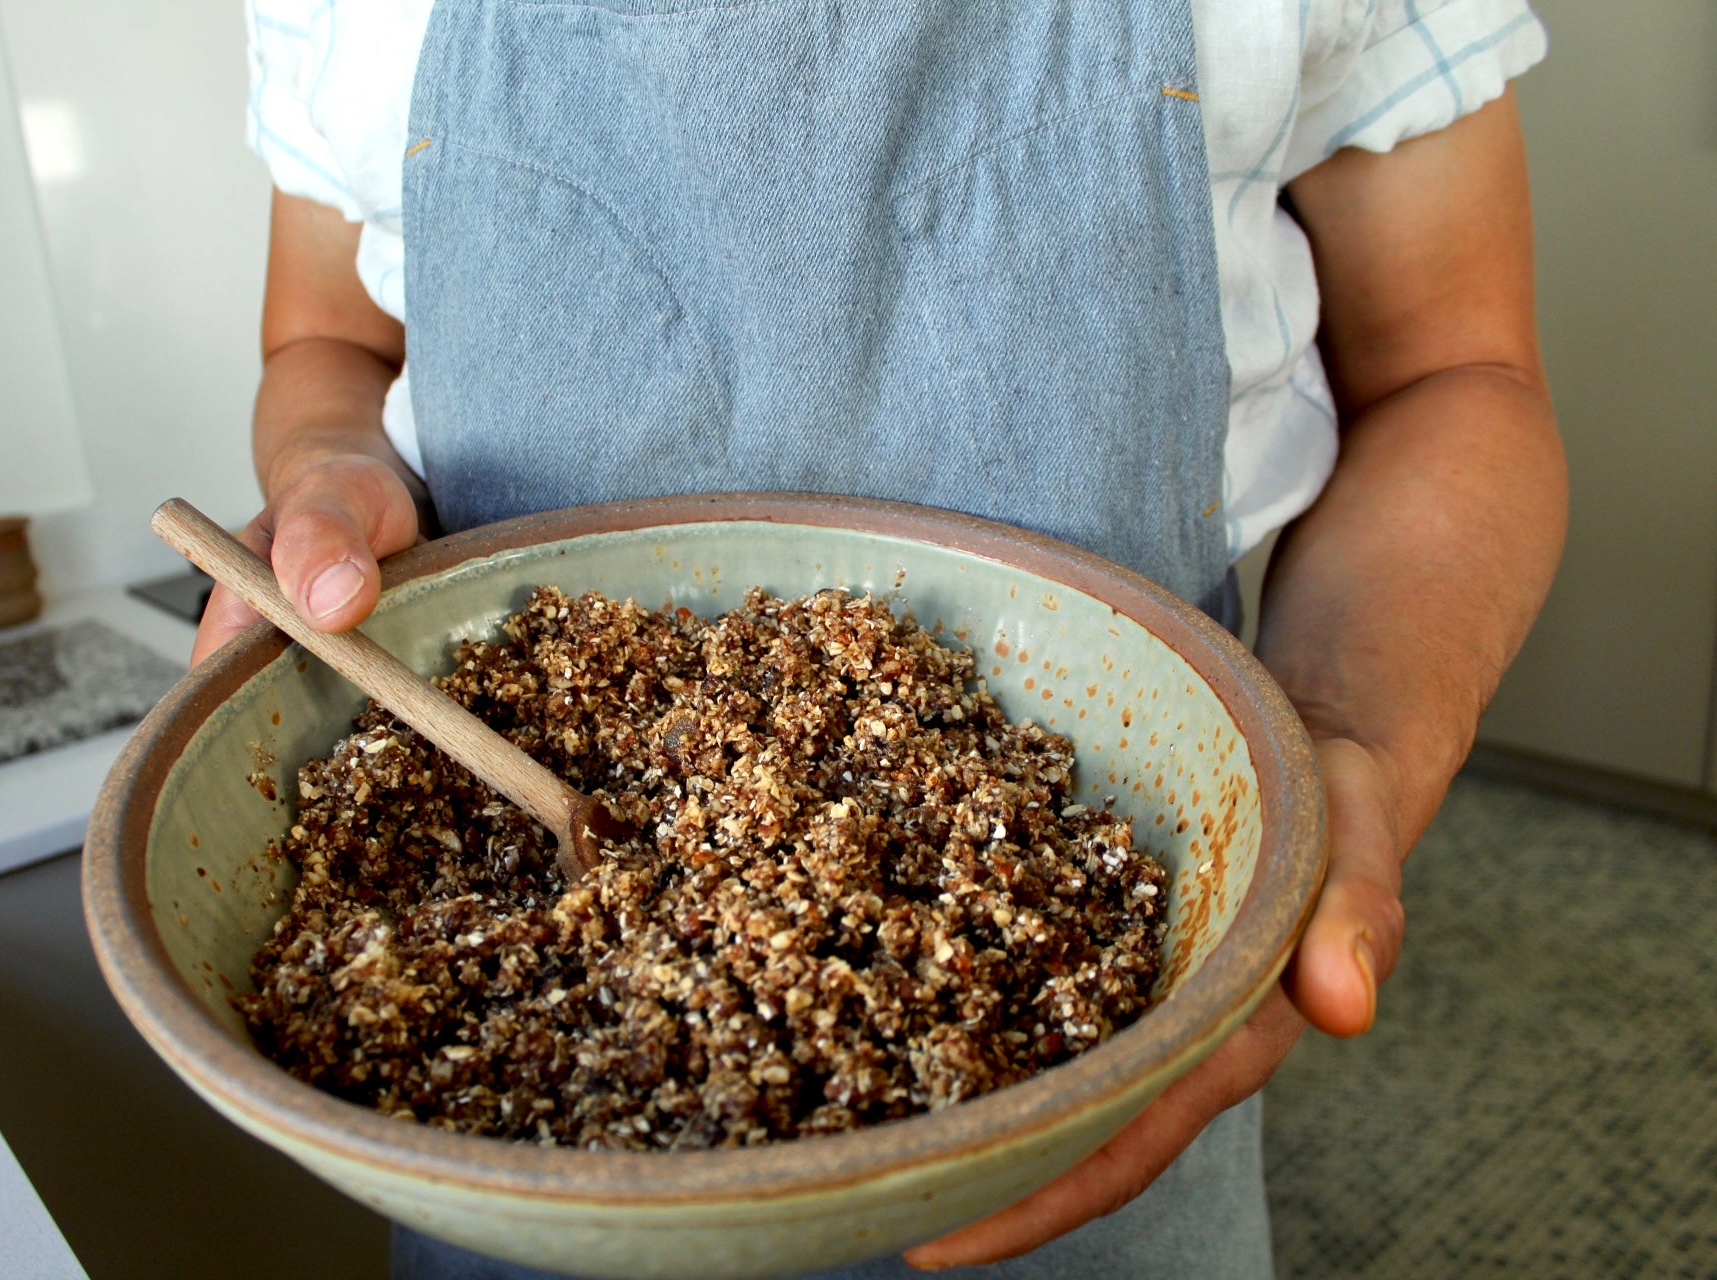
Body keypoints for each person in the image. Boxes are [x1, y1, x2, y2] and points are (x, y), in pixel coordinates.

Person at [197, 1, 1567, 1274]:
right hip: (508, 1169)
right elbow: (327, 337)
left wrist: (1341, 741)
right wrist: (325, 463)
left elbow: (1456, 370)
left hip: (1115, 1015)